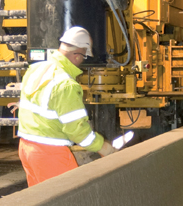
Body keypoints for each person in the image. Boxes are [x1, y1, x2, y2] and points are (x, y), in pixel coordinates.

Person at [17, 26, 114, 186]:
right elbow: (78, 131)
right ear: (76, 55)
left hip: (27, 147)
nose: (83, 60)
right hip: (50, 153)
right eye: (84, 56)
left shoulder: (36, 68)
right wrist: (104, 148)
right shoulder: (66, 84)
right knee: (69, 202)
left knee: (41, 204)